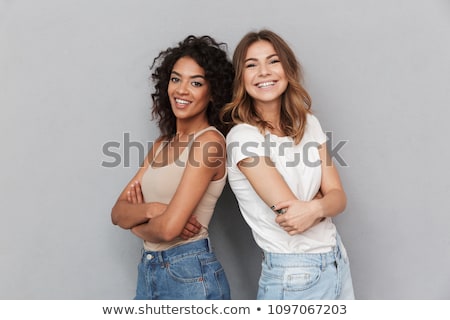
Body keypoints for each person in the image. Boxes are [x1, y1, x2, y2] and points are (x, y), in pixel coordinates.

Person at [221, 29, 355, 299]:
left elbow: (339, 199)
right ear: (241, 78)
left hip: (336, 260)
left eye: (273, 61)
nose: (263, 72)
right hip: (294, 274)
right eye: (251, 65)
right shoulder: (242, 138)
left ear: (287, 68)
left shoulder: (308, 124)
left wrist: (315, 206)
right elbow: (292, 218)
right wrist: (320, 203)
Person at [111, 35, 234, 300]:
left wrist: (136, 225)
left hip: (189, 273)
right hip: (149, 269)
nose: (181, 90)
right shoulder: (162, 144)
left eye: (196, 83)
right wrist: (153, 210)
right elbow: (117, 212)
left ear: (213, 93)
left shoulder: (209, 144)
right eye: (176, 79)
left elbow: (168, 230)